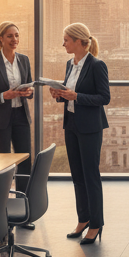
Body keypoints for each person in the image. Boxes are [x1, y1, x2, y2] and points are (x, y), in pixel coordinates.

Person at [49, 22, 109, 244]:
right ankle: (83, 219)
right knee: (77, 175)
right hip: (71, 124)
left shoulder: (96, 65)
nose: (63, 43)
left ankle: (96, 223)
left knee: (90, 176)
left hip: (90, 126)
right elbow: (69, 92)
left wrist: (77, 97)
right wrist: (59, 94)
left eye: (66, 39)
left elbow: (105, 98)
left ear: (77, 41)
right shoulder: (69, 64)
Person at [0, 21, 33, 184]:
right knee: (3, 163)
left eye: (16, 35)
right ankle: (1, 201)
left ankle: (24, 200)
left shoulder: (24, 60)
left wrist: (29, 92)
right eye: (10, 36)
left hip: (21, 116)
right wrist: (4, 96)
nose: (14, 39)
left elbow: (30, 86)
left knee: (24, 160)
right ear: (1, 39)